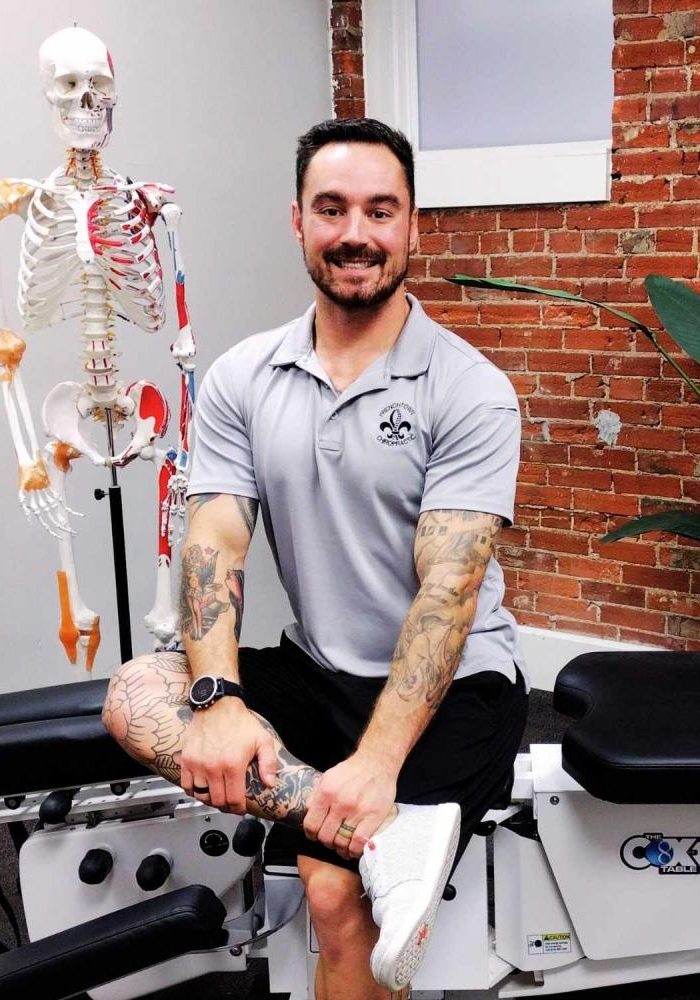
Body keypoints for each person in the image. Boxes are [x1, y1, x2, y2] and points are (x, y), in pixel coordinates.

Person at [103, 117, 529, 999]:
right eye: (331, 209)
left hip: (455, 686)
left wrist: (377, 766)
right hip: (318, 667)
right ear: (298, 221)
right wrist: (219, 700)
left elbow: (447, 595)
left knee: (335, 893)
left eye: (382, 211)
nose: (357, 234)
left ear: (413, 226)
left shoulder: (470, 389)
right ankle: (391, 835)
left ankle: (372, 835)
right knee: (137, 693)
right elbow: (215, 540)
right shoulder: (242, 377)